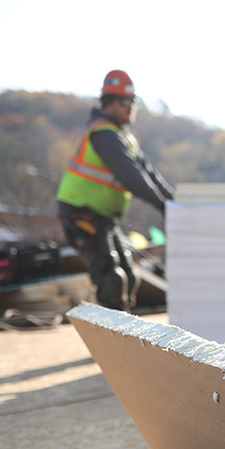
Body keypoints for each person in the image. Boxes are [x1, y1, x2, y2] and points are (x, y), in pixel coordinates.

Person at [56, 70, 174, 310]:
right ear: (109, 103)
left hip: (103, 218)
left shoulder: (125, 137)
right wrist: (164, 207)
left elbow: (150, 174)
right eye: (124, 102)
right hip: (81, 214)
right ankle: (111, 343)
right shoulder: (103, 133)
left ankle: (122, 338)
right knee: (111, 278)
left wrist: (176, 204)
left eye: (133, 102)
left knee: (129, 275)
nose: (130, 107)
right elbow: (132, 177)